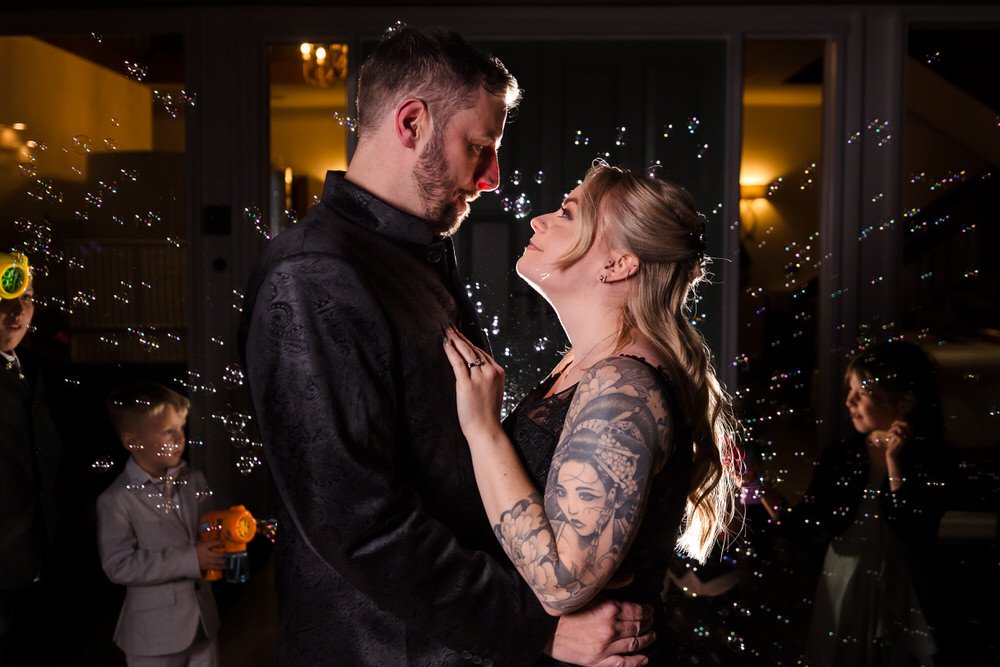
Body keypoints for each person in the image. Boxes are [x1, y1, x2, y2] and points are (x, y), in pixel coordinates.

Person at [238, 25, 656, 667]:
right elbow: (356, 520)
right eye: (479, 148)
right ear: (411, 123)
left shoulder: (412, 252)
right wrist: (535, 629)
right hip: (378, 651)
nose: (491, 178)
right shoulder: (313, 275)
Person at [443, 162, 740, 664]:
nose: (539, 220)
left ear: (620, 264)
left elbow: (561, 586)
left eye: (566, 212)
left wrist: (483, 431)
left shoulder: (622, 385)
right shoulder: (584, 363)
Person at [760, 340, 953, 665]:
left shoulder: (931, 460)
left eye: (861, 392)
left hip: (904, 590)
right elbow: (802, 527)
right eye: (850, 390)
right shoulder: (842, 456)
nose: (849, 401)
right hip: (844, 586)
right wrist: (756, 484)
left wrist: (894, 464)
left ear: (905, 401)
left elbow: (912, 525)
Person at [97, 380, 226, 666]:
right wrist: (191, 558)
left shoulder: (194, 480)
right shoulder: (117, 499)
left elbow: (208, 529)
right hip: (153, 634)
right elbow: (119, 565)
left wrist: (226, 536)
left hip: (204, 624)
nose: (180, 439)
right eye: (169, 431)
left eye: (181, 428)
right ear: (133, 442)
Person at [0, 254, 64, 666]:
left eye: (27, 297)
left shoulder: (36, 370)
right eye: (3, 298)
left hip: (38, 565)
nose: (16, 312)